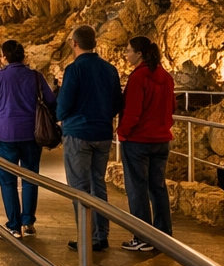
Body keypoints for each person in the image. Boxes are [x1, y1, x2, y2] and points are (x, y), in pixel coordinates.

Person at [0, 40, 56, 237]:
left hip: (5, 135)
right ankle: (28, 221)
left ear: (4, 57)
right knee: (30, 176)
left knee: (7, 180)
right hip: (32, 134)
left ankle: (14, 225)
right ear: (23, 56)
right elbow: (51, 102)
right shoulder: (36, 77)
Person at [57, 25, 123, 251]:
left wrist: (60, 116)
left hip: (78, 133)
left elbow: (64, 103)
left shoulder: (74, 69)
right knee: (98, 184)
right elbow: (117, 102)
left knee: (79, 187)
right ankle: (100, 235)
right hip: (103, 134)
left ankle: (86, 237)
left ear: (74, 43)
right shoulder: (109, 69)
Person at [118, 36, 176, 250]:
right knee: (158, 187)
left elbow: (133, 112)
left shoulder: (138, 77)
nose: (126, 54)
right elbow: (173, 106)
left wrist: (122, 133)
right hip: (161, 140)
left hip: (138, 140)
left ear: (139, 54)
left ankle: (143, 237)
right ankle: (163, 235)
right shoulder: (166, 77)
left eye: (128, 50)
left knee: (137, 189)